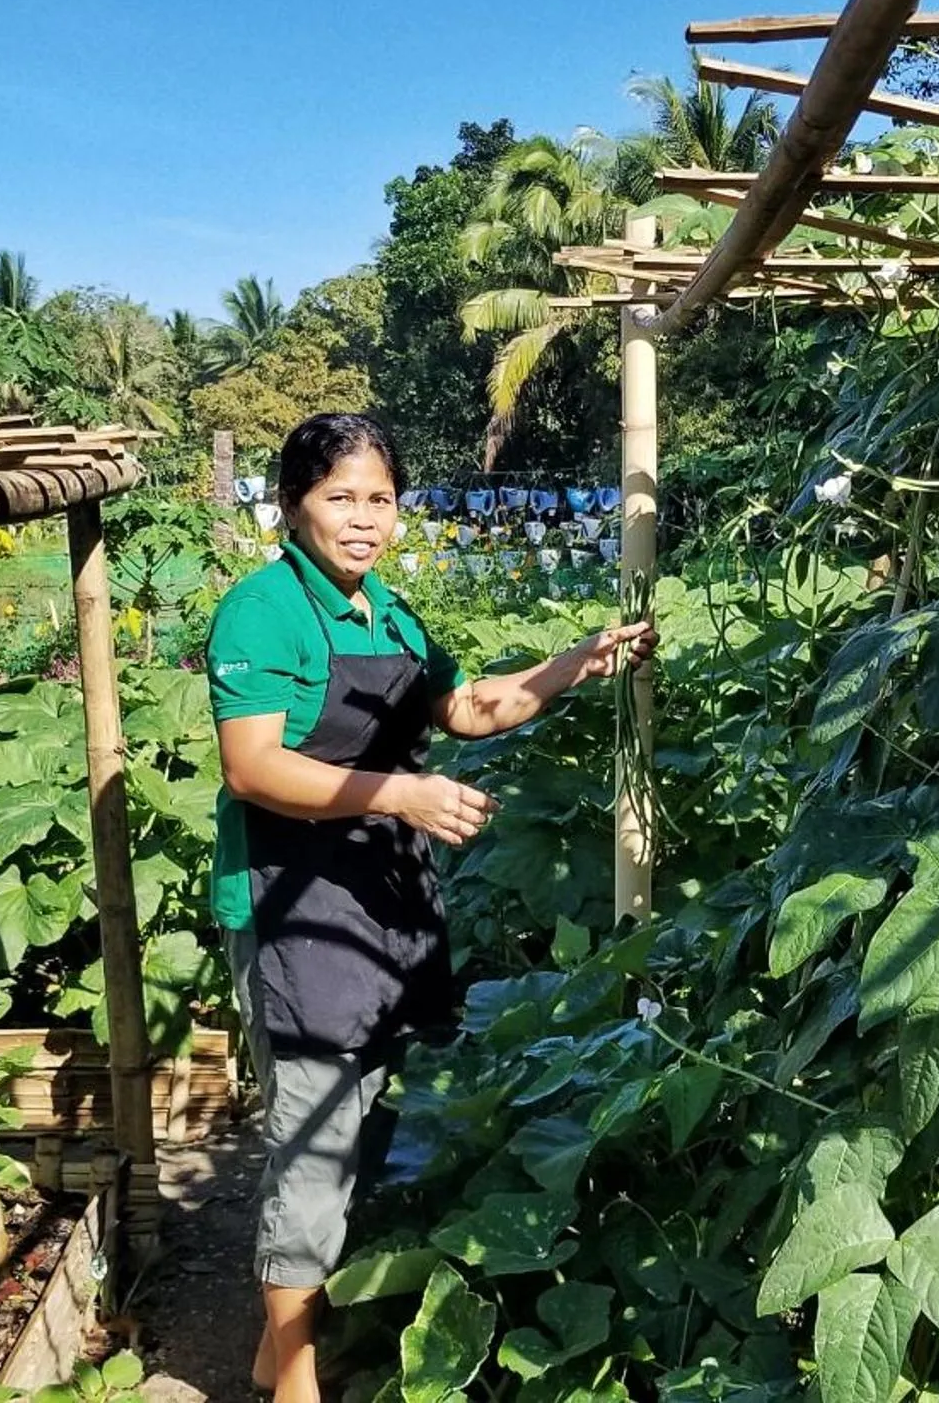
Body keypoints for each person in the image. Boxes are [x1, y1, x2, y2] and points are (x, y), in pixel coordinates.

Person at [205, 413, 654, 1399]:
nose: (363, 520)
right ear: (293, 506)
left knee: (360, 1127)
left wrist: (575, 661)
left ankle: (274, 1345)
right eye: (340, 498)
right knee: (315, 1142)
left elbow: (465, 707)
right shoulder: (263, 611)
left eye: (380, 500)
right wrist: (403, 794)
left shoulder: (391, 616)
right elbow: (254, 767)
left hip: (378, 903)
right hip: (295, 909)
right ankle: (295, 1382)